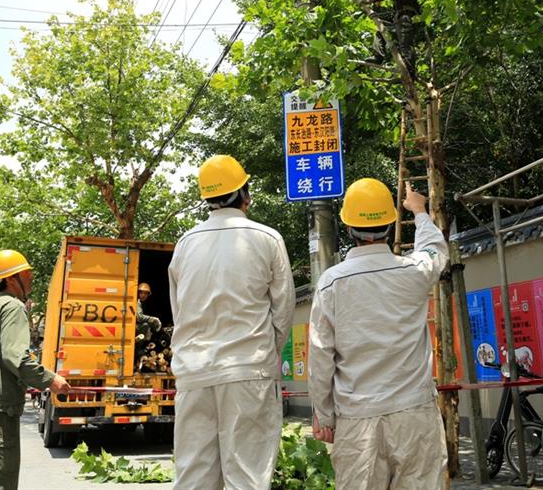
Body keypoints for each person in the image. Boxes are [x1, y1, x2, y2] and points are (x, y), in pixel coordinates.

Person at [308, 179, 450, 490]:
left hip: (358, 420)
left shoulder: (331, 282)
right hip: (414, 414)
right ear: (390, 224)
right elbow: (435, 251)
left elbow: (320, 356)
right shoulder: (413, 272)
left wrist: (324, 415)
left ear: (348, 229)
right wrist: (419, 211)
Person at [168, 154, 295, 489]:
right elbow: (283, 311)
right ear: (245, 194)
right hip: (247, 370)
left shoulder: (185, 244)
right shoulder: (267, 239)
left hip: (194, 372)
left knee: (194, 476)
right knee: (247, 476)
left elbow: (179, 313)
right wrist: (267, 356)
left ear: (207, 199)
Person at [0, 249, 70, 490]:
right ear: (10, 279)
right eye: (26, 274)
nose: (30, 278)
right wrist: (51, 380)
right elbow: (14, 356)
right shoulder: (14, 307)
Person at [360, 0, 421, 76]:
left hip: (406, 19)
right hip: (399, 21)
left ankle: (409, 72)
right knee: (381, 31)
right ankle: (378, 56)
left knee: (405, 46)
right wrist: (376, 14)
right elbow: (391, 14)